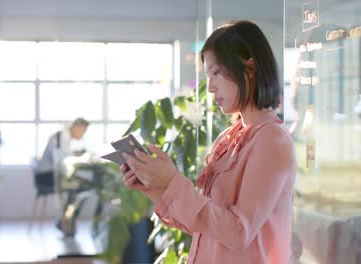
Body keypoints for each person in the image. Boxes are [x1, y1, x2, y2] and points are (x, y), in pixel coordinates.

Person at [121, 20, 296, 263]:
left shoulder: (272, 140)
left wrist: (172, 181)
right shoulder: (230, 138)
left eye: (216, 72)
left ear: (250, 69)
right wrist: (155, 188)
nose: (211, 87)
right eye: (207, 75)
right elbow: (206, 227)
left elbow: (238, 233)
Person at [34, 117, 89, 232]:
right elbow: (59, 161)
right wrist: (76, 157)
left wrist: (75, 154)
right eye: (83, 131)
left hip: (53, 173)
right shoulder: (59, 137)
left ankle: (67, 221)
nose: (83, 135)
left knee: (82, 186)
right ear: (77, 127)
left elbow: (63, 156)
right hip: (46, 176)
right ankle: (66, 222)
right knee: (79, 186)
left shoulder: (65, 138)